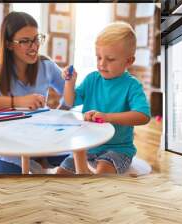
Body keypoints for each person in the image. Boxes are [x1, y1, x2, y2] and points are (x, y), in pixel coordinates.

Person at [56, 21, 151, 175]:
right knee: (60, 174)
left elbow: (143, 116)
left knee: (103, 174)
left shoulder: (132, 85)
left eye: (110, 59)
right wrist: (69, 82)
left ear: (129, 61)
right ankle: (83, 169)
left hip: (118, 149)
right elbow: (70, 101)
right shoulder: (92, 79)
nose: (101, 64)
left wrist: (107, 117)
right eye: (98, 57)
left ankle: (83, 171)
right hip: (89, 146)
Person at [0, 11, 67, 174]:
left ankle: (39, 162)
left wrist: (61, 111)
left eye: (36, 39)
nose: (34, 46)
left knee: (79, 157)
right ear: (8, 44)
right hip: (5, 148)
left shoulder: (46, 65)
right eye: (25, 41)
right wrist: (19, 101)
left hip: (42, 141)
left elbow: (72, 94)